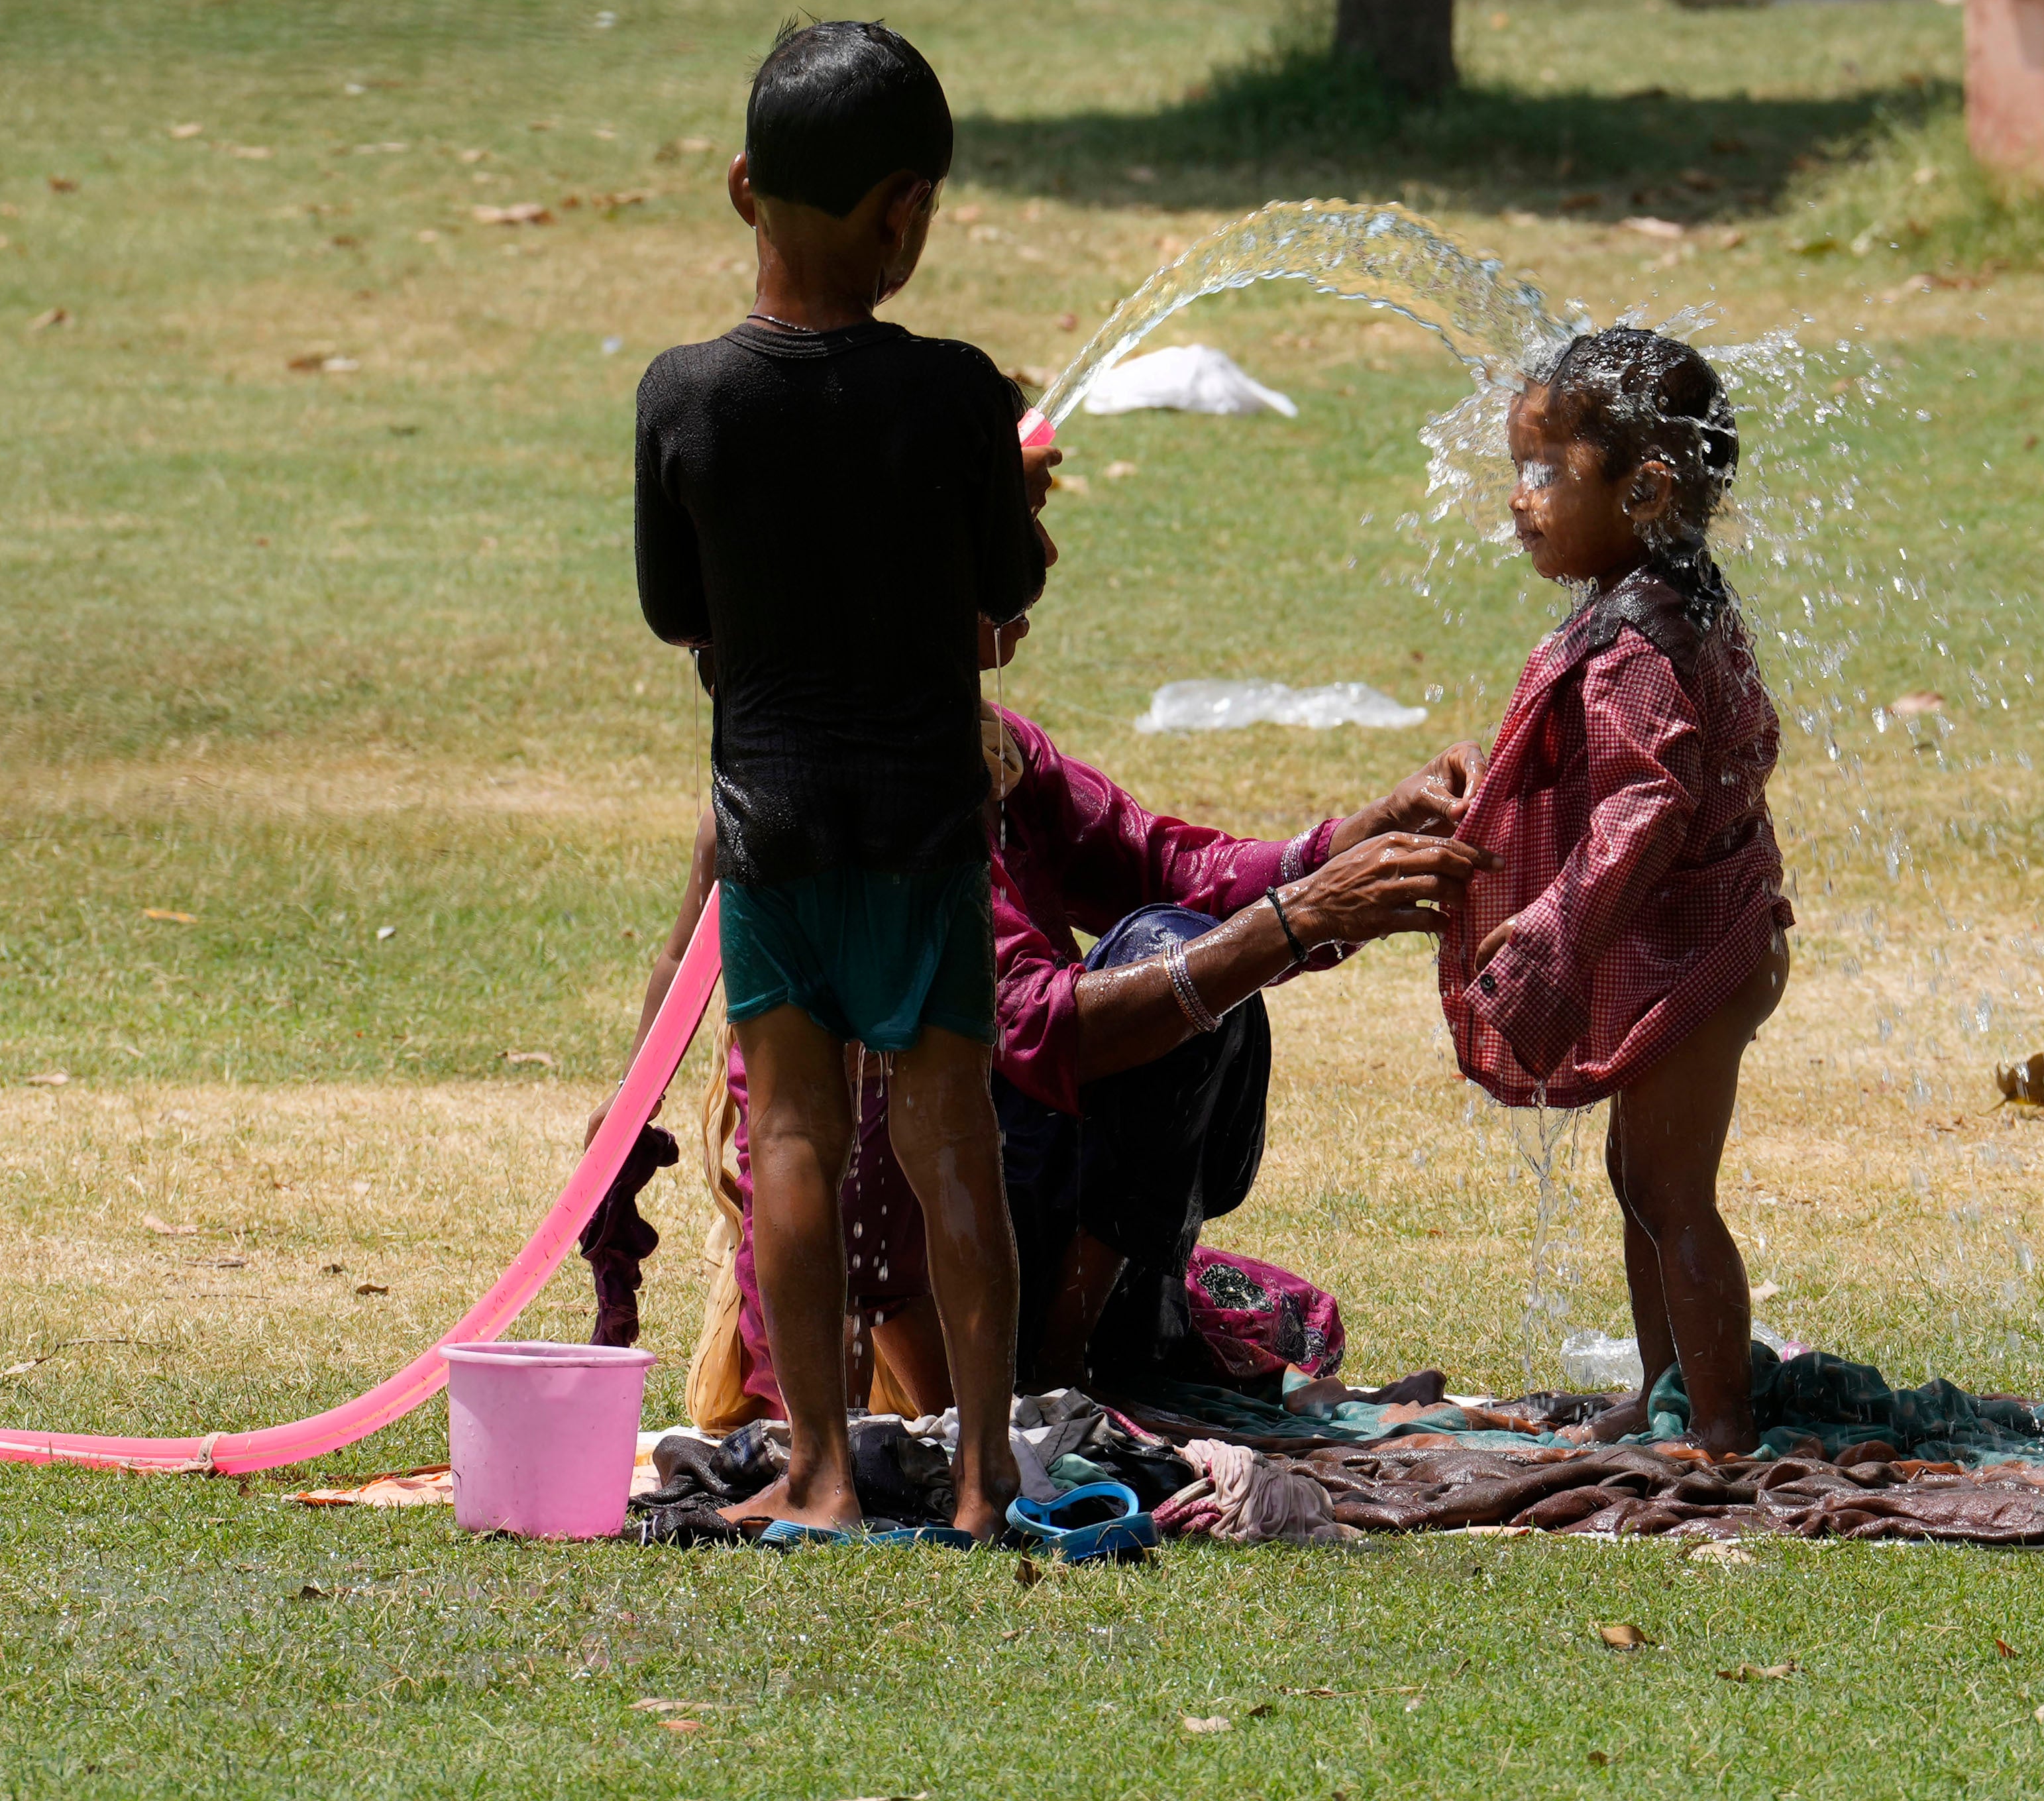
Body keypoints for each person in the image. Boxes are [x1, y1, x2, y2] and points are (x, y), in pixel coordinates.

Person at [607, 454, 1489, 1424]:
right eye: (1019, 527)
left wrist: (1357, 836)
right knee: (1178, 959)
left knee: (1182, 942)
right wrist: (1300, 920)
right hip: (897, 1257)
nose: (1048, 555)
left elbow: (1162, 861)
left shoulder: (988, 746)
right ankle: (1052, 1371)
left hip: (965, 1195)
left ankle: (1060, 1356)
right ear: (929, 569)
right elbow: (1035, 1024)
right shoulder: (891, 790)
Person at [631, 18, 1042, 1537]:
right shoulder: (954, 398)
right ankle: (988, 1472)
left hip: (774, 825)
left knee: (791, 1135)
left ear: (744, 188)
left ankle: (814, 1469)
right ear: (906, 213)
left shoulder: (683, 396)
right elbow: (1003, 591)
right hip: (926, 823)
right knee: (952, 1144)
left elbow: (680, 614)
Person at [1436, 327, 1793, 1456]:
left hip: (1702, 954)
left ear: (1644, 491)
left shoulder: (1639, 638)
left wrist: (1555, 939)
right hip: (1711, 935)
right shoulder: (1673, 594)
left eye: (1546, 477)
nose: (1518, 501)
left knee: (1674, 1191)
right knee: (1640, 1177)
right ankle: (1670, 1390)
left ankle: (1722, 1428)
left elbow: (1649, 806)